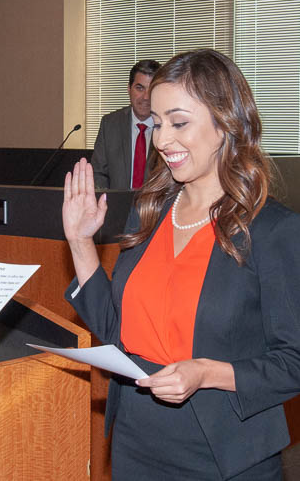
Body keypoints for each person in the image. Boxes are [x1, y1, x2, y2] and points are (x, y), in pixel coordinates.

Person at [63, 48, 300, 480]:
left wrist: (206, 372)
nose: (161, 140)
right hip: (136, 442)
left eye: (179, 122)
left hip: (225, 455)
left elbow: (294, 362)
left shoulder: (272, 231)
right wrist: (81, 242)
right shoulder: (149, 213)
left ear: (225, 123)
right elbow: (118, 333)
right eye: (156, 123)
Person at [91, 59, 160, 190]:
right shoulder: (110, 124)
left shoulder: (169, 127)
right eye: (140, 88)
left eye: (152, 90)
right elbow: (98, 173)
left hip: (156, 208)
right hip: (115, 206)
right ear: (129, 89)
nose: (146, 97)